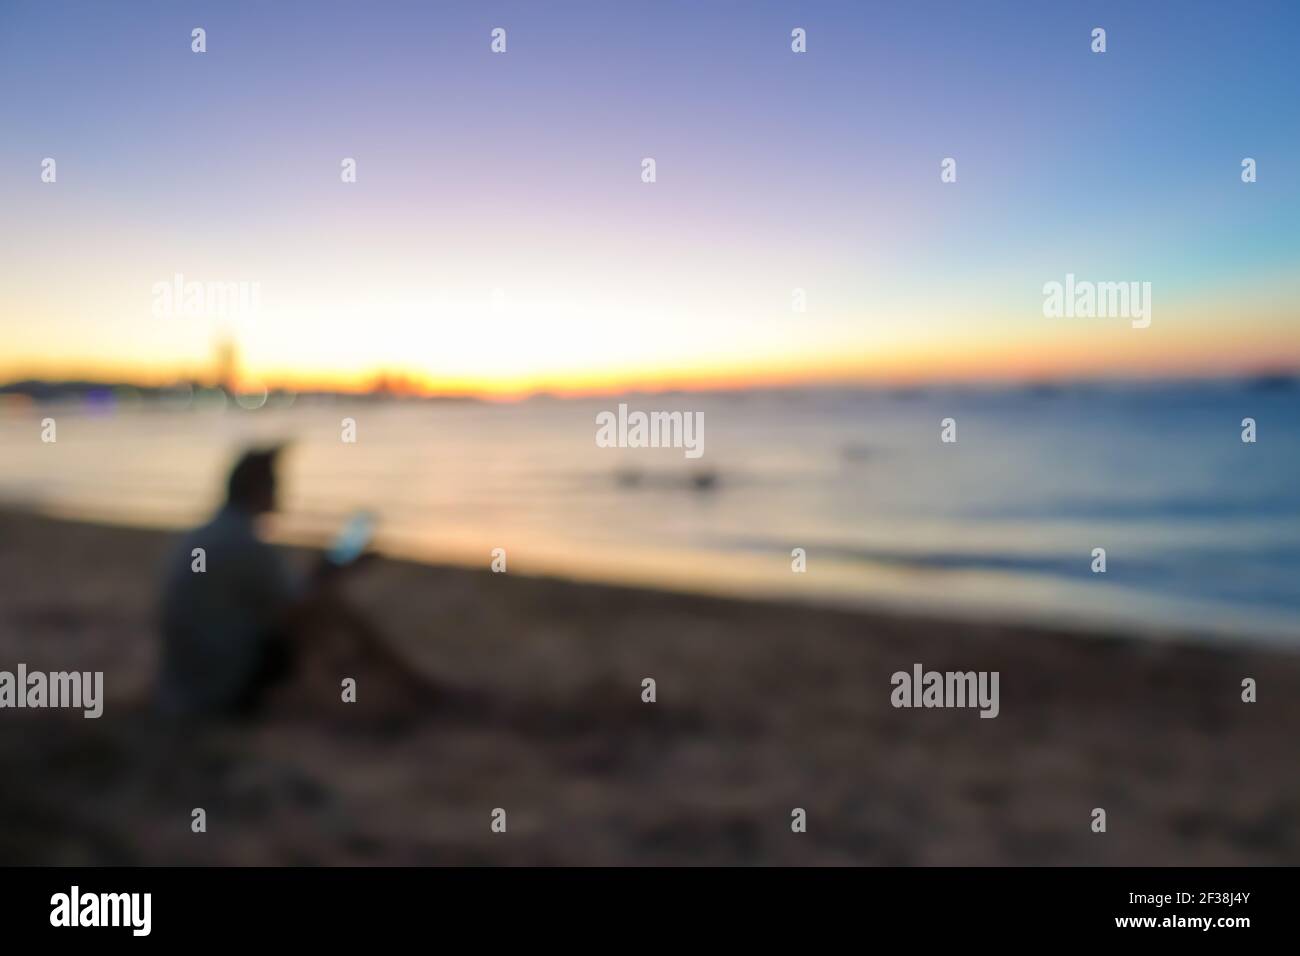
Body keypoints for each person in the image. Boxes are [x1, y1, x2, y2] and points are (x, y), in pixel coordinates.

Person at [156, 446, 412, 718]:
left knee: (319, 608)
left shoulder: (215, 533)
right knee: (328, 611)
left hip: (183, 683)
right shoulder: (244, 543)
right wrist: (336, 572)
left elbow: (279, 599)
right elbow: (295, 609)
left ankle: (394, 686)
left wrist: (326, 572)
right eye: (275, 483)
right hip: (219, 690)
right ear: (256, 487)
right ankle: (407, 688)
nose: (281, 491)